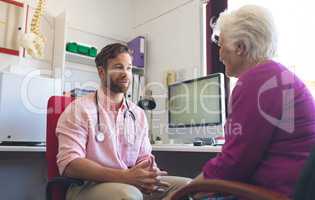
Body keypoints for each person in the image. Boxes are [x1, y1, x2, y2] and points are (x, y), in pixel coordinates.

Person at [169, 5, 315, 199]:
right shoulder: (274, 75)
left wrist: (182, 193)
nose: (219, 55)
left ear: (240, 47)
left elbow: (232, 165)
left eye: (221, 45)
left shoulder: (257, 81)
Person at [56, 43, 191, 200]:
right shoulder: (79, 109)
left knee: (188, 187)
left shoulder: (138, 114)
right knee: (128, 196)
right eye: (119, 67)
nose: (126, 74)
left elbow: (144, 158)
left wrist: (149, 176)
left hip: (131, 183)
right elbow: (70, 164)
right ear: (101, 72)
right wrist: (124, 176)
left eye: (129, 68)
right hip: (88, 186)